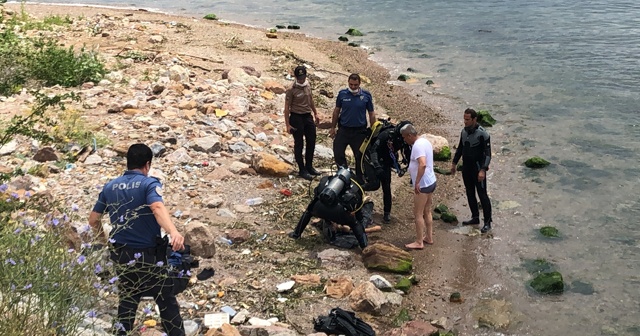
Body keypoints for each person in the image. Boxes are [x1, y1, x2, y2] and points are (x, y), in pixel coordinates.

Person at [88, 143, 186, 336]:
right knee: (166, 301)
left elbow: (93, 220)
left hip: (122, 255)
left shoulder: (110, 186)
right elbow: (157, 208)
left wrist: (103, 241)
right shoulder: (149, 184)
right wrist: (173, 232)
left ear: (128, 162)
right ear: (147, 164)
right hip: (148, 256)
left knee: (127, 303)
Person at [450, 108, 492, 233]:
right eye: (464, 119)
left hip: (478, 168)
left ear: (474, 119)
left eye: (468, 119)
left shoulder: (483, 134)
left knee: (482, 194)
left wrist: (483, 170)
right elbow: (460, 148)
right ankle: (475, 217)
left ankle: (488, 222)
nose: (465, 122)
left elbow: (488, 154)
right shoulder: (464, 132)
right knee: (469, 192)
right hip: (467, 168)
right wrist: (454, 163)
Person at [362, 120, 412, 223]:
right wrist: (377, 166)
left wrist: (408, 166)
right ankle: (358, 189)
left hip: (386, 161)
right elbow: (373, 150)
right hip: (371, 159)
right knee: (375, 185)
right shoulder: (386, 135)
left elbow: (407, 153)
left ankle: (387, 213)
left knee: (386, 186)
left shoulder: (404, 139)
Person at [330, 73, 376, 182]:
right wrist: (333, 127)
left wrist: (374, 130)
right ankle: (343, 174)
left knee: (360, 156)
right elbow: (336, 111)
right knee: (338, 152)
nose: (353, 87)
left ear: (359, 84)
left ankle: (360, 179)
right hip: (344, 129)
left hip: (359, 131)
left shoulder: (366, 95)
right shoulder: (342, 94)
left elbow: (371, 113)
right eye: (351, 84)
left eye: (355, 85)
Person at [400, 124, 437, 249]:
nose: (404, 140)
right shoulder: (425, 141)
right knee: (427, 210)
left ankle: (419, 241)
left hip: (423, 184)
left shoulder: (417, 146)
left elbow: (422, 164)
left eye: (405, 137)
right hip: (431, 181)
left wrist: (416, 182)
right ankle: (429, 237)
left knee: (418, 213)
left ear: (410, 135)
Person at [284, 65, 321, 180]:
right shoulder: (291, 89)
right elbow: (286, 108)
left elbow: (310, 99)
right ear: (295, 76)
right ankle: (302, 169)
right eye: (299, 77)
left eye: (303, 77)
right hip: (296, 117)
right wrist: (287, 125)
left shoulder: (307, 85)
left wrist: (315, 113)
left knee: (312, 140)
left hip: (307, 116)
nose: (301, 79)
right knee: (299, 143)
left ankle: (309, 165)